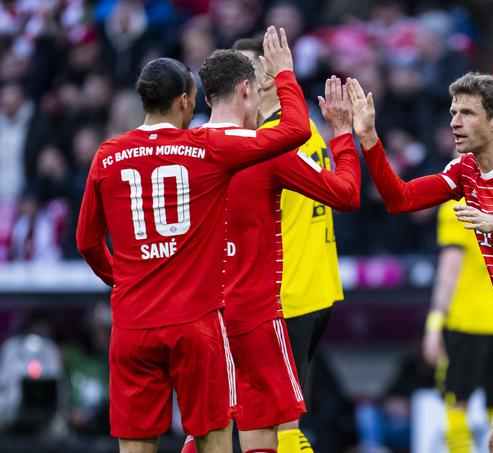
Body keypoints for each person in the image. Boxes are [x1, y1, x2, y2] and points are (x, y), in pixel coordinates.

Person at [76, 26, 311, 453]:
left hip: (132, 325)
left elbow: (87, 244)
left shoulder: (106, 155)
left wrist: (123, 281)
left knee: (135, 446)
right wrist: (284, 77)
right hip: (195, 324)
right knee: (213, 441)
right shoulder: (203, 148)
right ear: (185, 101)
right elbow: (295, 131)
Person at [347, 73, 493, 453]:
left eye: (467, 113)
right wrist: (369, 140)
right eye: (452, 112)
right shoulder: (465, 172)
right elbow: (401, 199)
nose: (454, 122)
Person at [180, 42, 360, 453]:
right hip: (287, 297)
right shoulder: (291, 139)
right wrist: (344, 135)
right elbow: (347, 193)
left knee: (221, 422)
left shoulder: (200, 149)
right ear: (250, 87)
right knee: (270, 422)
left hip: (271, 296)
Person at [423, 198, 493, 453]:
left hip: (466, 321)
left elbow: (450, 268)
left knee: (457, 403)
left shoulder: (455, 207)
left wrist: (434, 322)